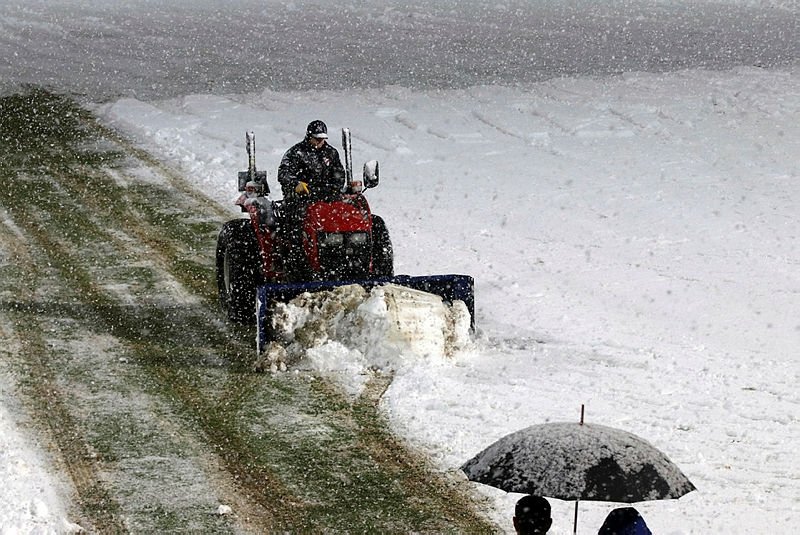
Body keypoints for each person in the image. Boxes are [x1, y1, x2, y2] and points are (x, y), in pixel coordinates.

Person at [276, 120, 345, 278]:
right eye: (317, 138)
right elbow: (283, 173)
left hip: (327, 200)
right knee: (296, 228)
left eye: (322, 138)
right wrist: (295, 184)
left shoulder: (331, 153)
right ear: (309, 137)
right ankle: (297, 263)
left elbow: (339, 174)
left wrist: (334, 188)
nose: (320, 141)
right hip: (301, 200)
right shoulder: (295, 153)